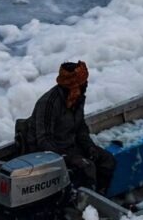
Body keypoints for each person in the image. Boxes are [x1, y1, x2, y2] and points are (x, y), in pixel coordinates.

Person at [16, 61, 116, 195]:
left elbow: (81, 129)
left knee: (107, 161)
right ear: (74, 85)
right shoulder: (49, 103)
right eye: (83, 83)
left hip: (71, 146)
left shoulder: (77, 99)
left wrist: (89, 147)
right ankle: (85, 207)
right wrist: (69, 158)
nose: (86, 85)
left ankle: (101, 197)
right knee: (87, 168)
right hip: (46, 154)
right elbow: (44, 140)